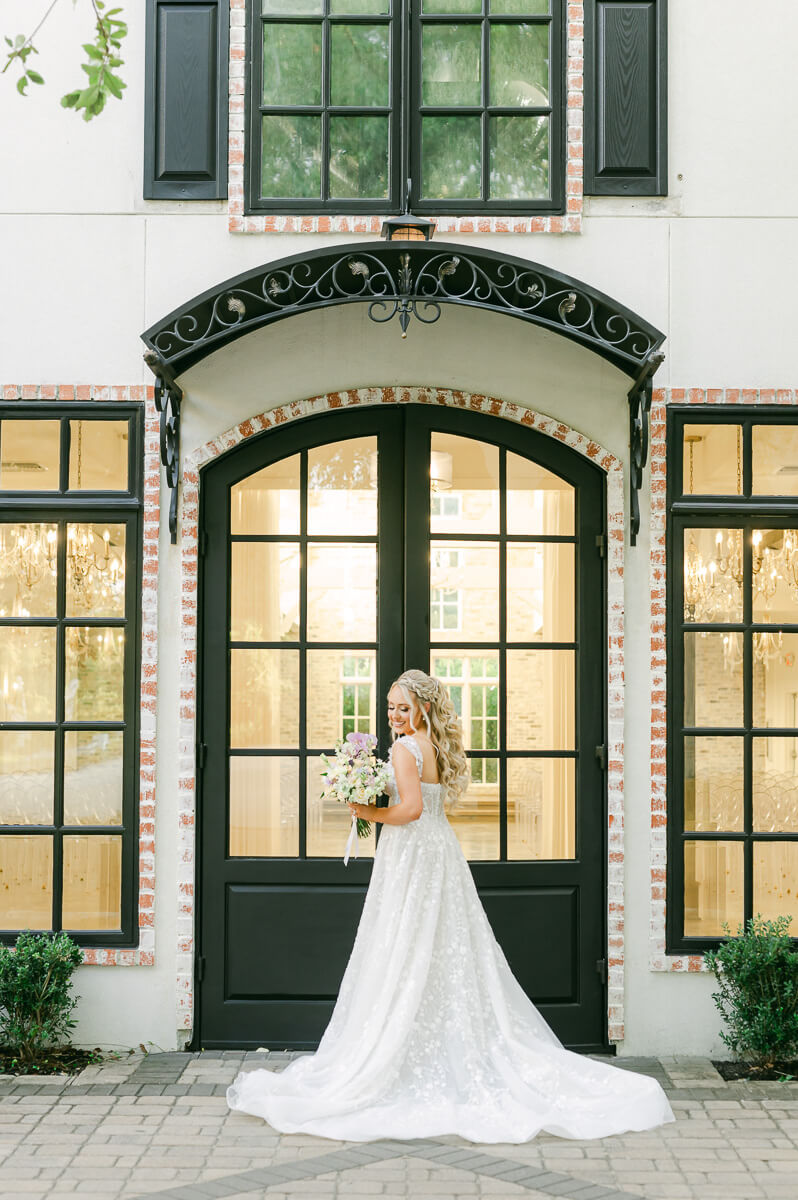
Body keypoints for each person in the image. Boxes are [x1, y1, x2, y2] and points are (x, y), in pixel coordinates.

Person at [226, 668, 676, 1143]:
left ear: (421, 707)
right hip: (440, 852)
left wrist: (366, 812)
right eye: (390, 707)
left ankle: (403, 1041)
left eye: (403, 707)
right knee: (444, 943)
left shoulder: (404, 749)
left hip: (412, 854)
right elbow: (431, 805)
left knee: (406, 942)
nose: (395, 716)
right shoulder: (433, 744)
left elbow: (411, 810)